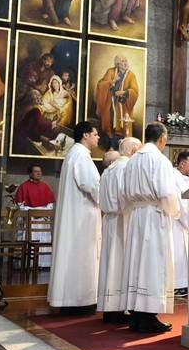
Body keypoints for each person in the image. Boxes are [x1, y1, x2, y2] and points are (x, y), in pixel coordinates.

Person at [118, 122, 182, 333]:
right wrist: (174, 211)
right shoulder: (159, 160)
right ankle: (147, 316)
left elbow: (125, 192)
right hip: (154, 216)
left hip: (137, 215)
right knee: (153, 264)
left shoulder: (132, 160)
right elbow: (165, 192)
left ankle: (137, 315)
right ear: (162, 138)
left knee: (137, 263)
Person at [48, 121, 101, 313]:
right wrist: (109, 200)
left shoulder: (74, 154)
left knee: (75, 255)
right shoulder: (81, 156)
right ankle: (79, 300)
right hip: (81, 217)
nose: (98, 137)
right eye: (95, 134)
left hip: (78, 213)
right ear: (86, 135)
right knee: (81, 255)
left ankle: (71, 299)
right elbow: (92, 186)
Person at [97, 137, 140, 323]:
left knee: (110, 263)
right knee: (121, 263)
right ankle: (121, 307)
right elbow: (126, 196)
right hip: (124, 219)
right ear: (132, 151)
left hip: (109, 219)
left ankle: (110, 308)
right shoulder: (126, 168)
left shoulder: (110, 168)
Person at [14, 165, 56, 268]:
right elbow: (20, 205)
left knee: (43, 240)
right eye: (36, 171)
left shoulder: (45, 186)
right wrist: (33, 212)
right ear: (30, 174)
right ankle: (28, 264)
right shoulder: (23, 187)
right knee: (29, 239)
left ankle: (44, 264)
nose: (39, 173)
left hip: (42, 221)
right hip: (29, 221)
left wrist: (40, 212)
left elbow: (50, 205)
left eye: (40, 171)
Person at [93, 55, 140, 140]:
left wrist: (124, 92)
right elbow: (101, 84)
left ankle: (120, 139)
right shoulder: (110, 71)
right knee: (109, 119)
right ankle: (108, 138)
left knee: (123, 126)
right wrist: (113, 80)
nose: (125, 63)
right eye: (123, 61)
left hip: (123, 104)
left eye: (126, 61)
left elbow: (135, 91)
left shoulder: (131, 75)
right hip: (110, 102)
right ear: (117, 64)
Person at [172, 151, 189, 296]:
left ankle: (184, 284)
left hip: (185, 222)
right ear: (182, 164)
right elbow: (181, 204)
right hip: (177, 222)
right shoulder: (174, 178)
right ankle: (178, 285)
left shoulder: (188, 178)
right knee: (178, 252)